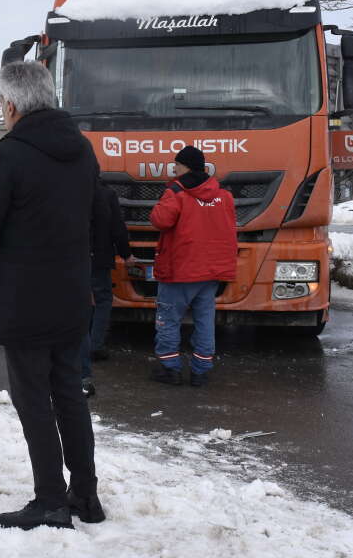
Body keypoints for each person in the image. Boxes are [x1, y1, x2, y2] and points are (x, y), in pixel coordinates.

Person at [0, 61, 107, 531]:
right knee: (68, 392)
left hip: (25, 298)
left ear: (10, 104)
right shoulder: (82, 150)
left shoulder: (9, 154)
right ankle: (85, 495)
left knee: (33, 400)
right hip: (71, 294)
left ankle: (49, 499)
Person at [149, 145, 237, 387]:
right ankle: (200, 371)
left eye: (177, 163)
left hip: (181, 269)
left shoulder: (176, 192)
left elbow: (159, 220)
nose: (174, 167)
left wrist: (163, 198)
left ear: (185, 165)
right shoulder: (223, 196)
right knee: (205, 321)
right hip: (210, 272)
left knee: (168, 320)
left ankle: (170, 369)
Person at [80, 181, 133, 396]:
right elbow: (117, 227)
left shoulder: (68, 189)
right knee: (102, 299)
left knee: (78, 300)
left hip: (73, 256)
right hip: (99, 256)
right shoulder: (106, 194)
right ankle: (95, 345)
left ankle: (78, 345)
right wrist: (126, 252)